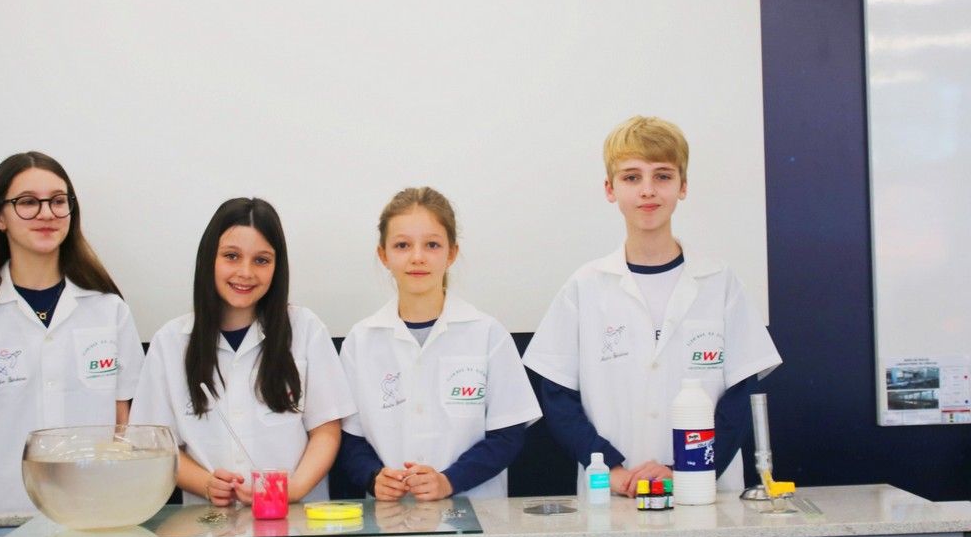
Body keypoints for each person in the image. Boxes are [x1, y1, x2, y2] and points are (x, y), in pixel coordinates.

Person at [523, 116, 781, 498]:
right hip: (613, 490)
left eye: (662, 176)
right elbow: (558, 397)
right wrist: (609, 467)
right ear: (610, 189)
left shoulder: (720, 283)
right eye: (631, 177)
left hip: (705, 491)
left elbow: (740, 398)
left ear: (683, 186)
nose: (647, 191)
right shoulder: (585, 286)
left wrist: (686, 470)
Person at [0, 152, 144, 512]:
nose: (46, 213)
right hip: (2, 511)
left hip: (97, 508)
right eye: (28, 202)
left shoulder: (109, 310)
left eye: (58, 201)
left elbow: (123, 423)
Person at [130, 198, 354, 506]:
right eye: (231, 256)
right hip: (209, 522)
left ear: (277, 267)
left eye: (261, 260)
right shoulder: (170, 342)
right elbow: (157, 447)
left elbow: (326, 431)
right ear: (209, 258)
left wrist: (292, 490)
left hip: (296, 518)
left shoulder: (305, 329)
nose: (246, 272)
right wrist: (206, 484)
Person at [336, 187, 541, 501]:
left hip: (477, 512)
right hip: (391, 516)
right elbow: (351, 439)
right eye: (402, 245)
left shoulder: (487, 334)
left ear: (451, 253)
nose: (417, 257)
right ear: (384, 255)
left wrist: (449, 481)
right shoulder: (360, 341)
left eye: (432, 245)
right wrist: (372, 477)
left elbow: (506, 435)